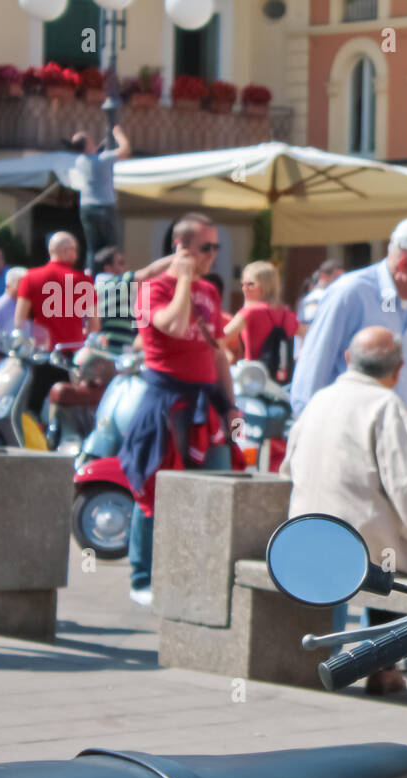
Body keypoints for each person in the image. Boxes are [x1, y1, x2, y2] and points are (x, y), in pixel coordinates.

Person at [282, 326, 407, 704]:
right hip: (357, 547)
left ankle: (384, 669)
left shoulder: (318, 400)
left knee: (386, 550)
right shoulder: (385, 406)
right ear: (399, 370)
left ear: (349, 359)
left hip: (306, 538)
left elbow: (287, 469)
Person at [118, 213, 238, 606]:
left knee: (217, 488)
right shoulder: (154, 288)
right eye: (207, 247)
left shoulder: (211, 291)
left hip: (207, 401)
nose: (214, 255)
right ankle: (142, 577)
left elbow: (217, 352)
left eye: (217, 247)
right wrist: (183, 278)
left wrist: (232, 405)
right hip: (167, 399)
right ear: (182, 248)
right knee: (155, 489)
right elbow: (171, 324)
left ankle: (201, 575)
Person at [291, 216, 407, 418]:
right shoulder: (351, 293)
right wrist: (309, 427)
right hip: (346, 428)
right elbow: (314, 367)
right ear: (404, 264)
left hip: (396, 430)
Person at [15, 232, 95, 350]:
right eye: (74, 250)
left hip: (42, 351)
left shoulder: (30, 277)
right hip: (73, 351)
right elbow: (94, 324)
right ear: (67, 250)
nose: (76, 255)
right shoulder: (84, 281)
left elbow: (20, 321)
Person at [219, 261, 300, 378]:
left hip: (253, 380)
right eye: (243, 284)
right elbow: (310, 334)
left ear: (266, 285)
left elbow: (218, 340)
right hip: (282, 383)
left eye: (250, 284)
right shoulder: (288, 315)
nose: (244, 289)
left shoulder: (250, 312)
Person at [71, 125, 132, 274]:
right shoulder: (103, 159)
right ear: (87, 144)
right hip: (104, 206)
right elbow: (126, 150)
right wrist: (118, 134)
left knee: (93, 247)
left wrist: (98, 150)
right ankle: (111, 274)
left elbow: (92, 156)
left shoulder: (79, 161)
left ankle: (92, 275)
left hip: (86, 207)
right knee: (110, 246)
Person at [93, 246, 175, 351]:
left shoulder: (96, 287)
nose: (126, 267)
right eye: (121, 263)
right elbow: (149, 273)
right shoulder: (117, 283)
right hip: (116, 354)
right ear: (107, 268)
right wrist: (181, 256)